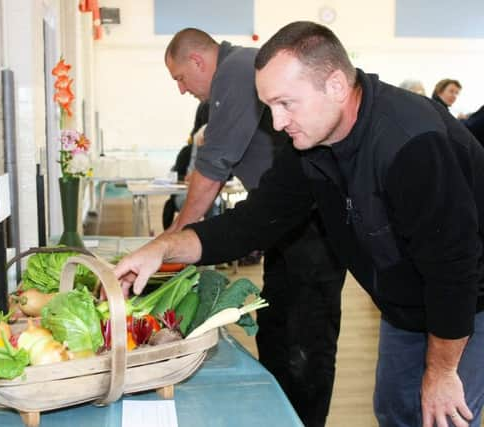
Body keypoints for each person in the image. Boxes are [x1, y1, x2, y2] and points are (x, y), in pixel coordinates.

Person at [115, 21, 484, 427]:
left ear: (337, 86)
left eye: (286, 103)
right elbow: (253, 223)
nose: (276, 123)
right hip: (407, 303)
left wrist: (442, 372)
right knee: (396, 413)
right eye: (269, 105)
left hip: (469, 300)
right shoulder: (309, 144)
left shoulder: (411, 142)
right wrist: (164, 248)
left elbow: (454, 269)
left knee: (439, 417)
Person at [163, 28, 346, 427]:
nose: (181, 89)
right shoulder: (237, 70)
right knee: (277, 335)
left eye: (180, 78)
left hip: (311, 230)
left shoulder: (236, 70)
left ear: (198, 61)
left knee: (303, 344)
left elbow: (212, 167)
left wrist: (171, 246)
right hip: (285, 226)